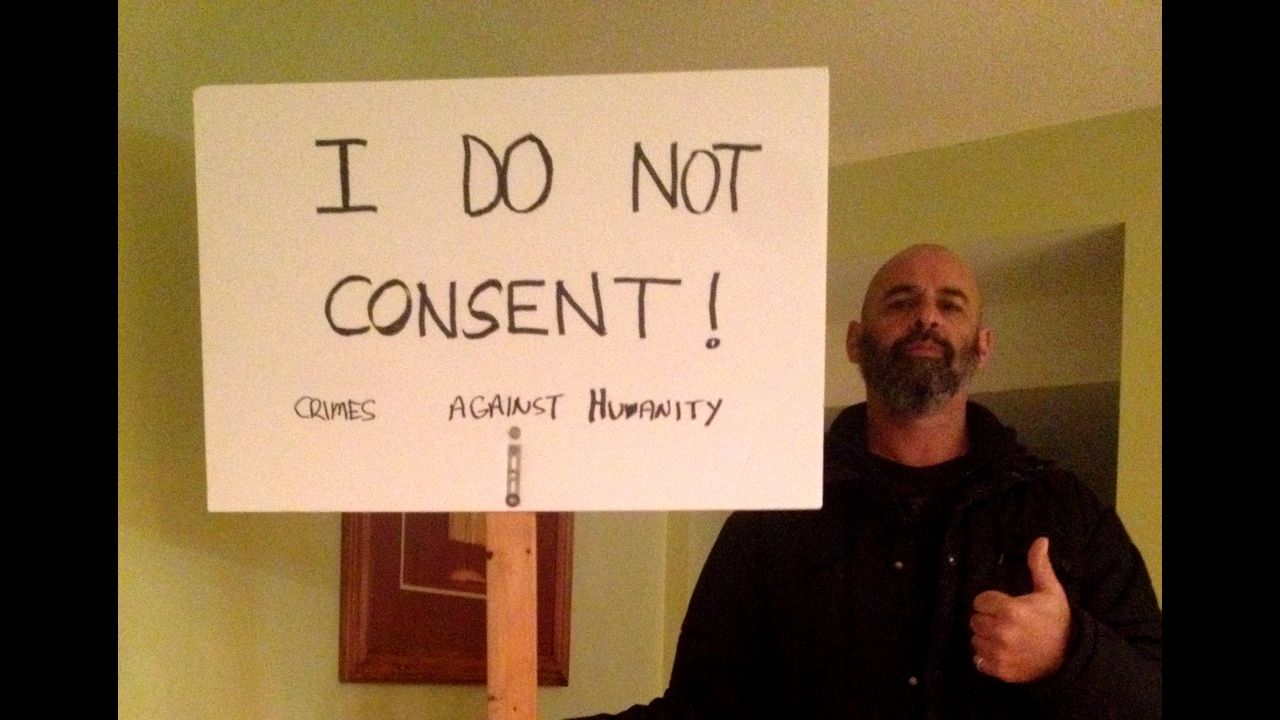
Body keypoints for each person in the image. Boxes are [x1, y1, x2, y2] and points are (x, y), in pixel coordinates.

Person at [571, 244, 1162, 719]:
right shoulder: (772, 516)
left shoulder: (1066, 510)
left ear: (983, 346)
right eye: (901, 302)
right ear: (855, 341)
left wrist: (1067, 653)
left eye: (951, 305)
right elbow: (702, 710)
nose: (927, 317)